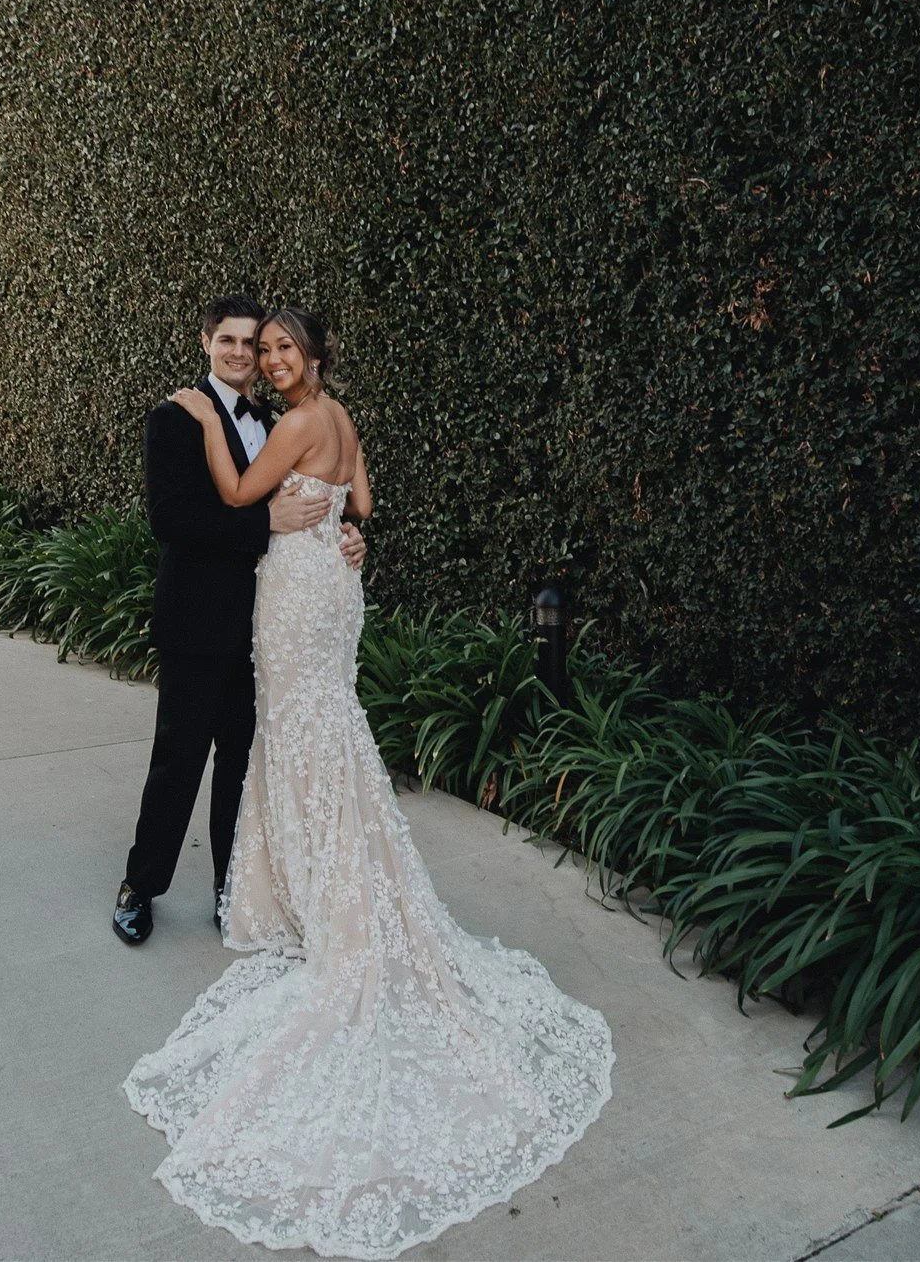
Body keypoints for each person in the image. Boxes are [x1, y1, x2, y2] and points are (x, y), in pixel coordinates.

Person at [122, 308, 612, 1259]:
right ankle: (157, 885)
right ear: (217, 352)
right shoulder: (300, 418)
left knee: (296, 738)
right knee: (267, 742)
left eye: (272, 348)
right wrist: (341, 531)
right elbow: (347, 506)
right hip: (301, 596)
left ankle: (274, 893)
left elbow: (241, 490)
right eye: (246, 348)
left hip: (298, 599)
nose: (258, 359)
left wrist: (303, 521)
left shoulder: (288, 421)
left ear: (307, 359)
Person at [112, 295, 366, 946]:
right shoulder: (174, 418)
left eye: (251, 344)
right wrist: (264, 523)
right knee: (179, 760)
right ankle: (141, 885)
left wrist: (350, 533)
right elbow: (170, 520)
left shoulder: (280, 416)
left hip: (273, 627)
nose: (240, 353)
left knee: (242, 767)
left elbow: (333, 494)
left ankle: (235, 893)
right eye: (226, 340)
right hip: (199, 621)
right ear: (205, 343)